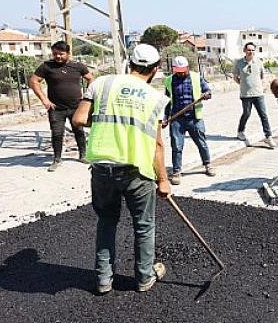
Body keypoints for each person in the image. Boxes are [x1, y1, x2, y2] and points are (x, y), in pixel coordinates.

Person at [71, 43, 171, 294]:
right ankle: (144, 278)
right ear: (156, 69)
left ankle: (104, 280)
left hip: (103, 167)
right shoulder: (156, 98)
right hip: (136, 169)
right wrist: (163, 180)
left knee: (106, 221)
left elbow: (79, 119)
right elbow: (157, 144)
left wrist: (109, 122)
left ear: (130, 64)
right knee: (144, 226)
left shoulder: (101, 83)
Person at [29, 40, 93, 171]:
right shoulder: (47, 66)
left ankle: (83, 155)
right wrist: (44, 100)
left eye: (61, 54)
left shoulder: (78, 66)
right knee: (57, 134)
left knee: (79, 131)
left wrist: (87, 97)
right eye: (55, 54)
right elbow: (34, 81)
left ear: (68, 53)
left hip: (76, 106)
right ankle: (57, 159)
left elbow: (91, 79)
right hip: (56, 108)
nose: (57, 56)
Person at [161, 56, 214, 185]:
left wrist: (206, 95)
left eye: (183, 70)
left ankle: (207, 165)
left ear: (187, 68)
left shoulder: (196, 77)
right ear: (174, 69)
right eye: (178, 71)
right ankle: (176, 171)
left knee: (201, 143)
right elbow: (167, 101)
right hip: (177, 119)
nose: (181, 73)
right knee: (177, 146)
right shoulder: (168, 81)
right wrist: (165, 117)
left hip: (194, 118)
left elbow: (208, 91)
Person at [233, 42, 275, 148]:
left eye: (252, 50)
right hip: (245, 95)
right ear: (244, 50)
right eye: (248, 50)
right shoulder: (238, 63)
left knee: (263, 115)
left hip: (258, 94)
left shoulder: (259, 62)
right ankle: (240, 131)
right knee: (246, 113)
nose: (250, 52)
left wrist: (255, 85)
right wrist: (243, 85)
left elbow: (261, 76)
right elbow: (235, 77)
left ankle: (268, 136)